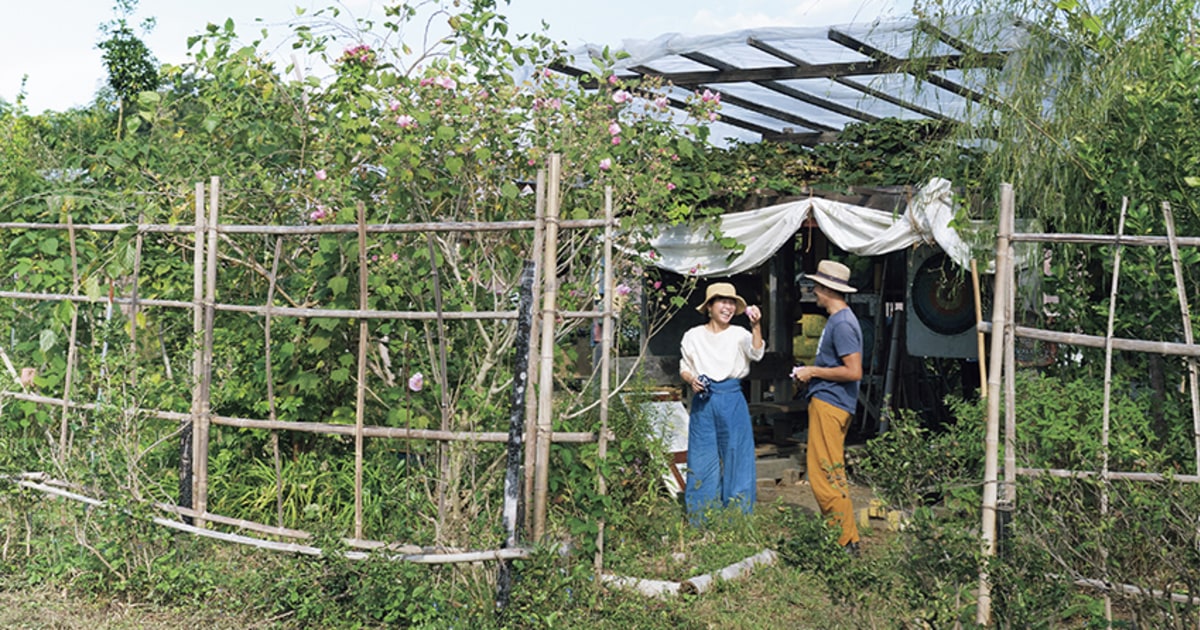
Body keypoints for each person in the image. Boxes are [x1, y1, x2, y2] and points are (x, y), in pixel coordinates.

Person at [792, 260, 863, 555]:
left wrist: (813, 372)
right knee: (830, 471)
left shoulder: (843, 324)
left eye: (817, 287)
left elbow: (854, 371)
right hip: (829, 400)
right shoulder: (838, 320)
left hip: (831, 403)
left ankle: (842, 541)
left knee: (824, 474)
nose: (814, 292)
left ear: (827, 289)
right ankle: (847, 536)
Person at [679, 282, 764, 523]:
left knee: (738, 454)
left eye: (731, 303)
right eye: (722, 302)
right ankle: (701, 515)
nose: (728, 307)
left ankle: (737, 516)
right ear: (710, 306)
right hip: (704, 398)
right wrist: (691, 380)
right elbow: (685, 368)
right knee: (701, 456)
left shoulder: (739, 334)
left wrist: (756, 325)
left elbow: (757, 353)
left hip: (732, 396)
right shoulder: (693, 335)